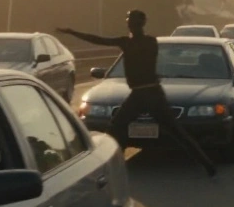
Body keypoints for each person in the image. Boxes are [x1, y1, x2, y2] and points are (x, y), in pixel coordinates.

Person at [58, 10, 217, 177]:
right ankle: (207, 165)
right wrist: (72, 32)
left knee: (116, 129)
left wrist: (72, 32)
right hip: (152, 93)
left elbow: (99, 40)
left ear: (131, 25)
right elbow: (100, 40)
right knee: (176, 131)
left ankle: (105, 168)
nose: (128, 24)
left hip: (142, 93)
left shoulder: (128, 42)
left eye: (129, 21)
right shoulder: (150, 41)